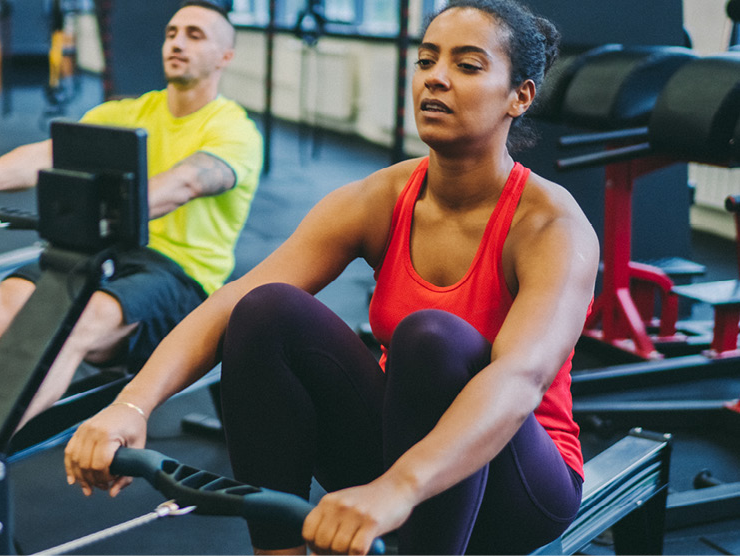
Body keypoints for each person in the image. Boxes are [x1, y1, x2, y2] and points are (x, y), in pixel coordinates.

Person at [63, 1, 595, 555]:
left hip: (515, 486)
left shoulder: (551, 226)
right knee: (266, 310)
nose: (435, 77)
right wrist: (131, 405)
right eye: (426, 60)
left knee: (432, 339)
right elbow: (234, 299)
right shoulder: (382, 198)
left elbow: (518, 380)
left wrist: (400, 487)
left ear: (520, 96)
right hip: (396, 458)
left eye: (467, 65)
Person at [0, 0, 262, 444]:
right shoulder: (128, 113)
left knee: (82, 318)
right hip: (108, 253)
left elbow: (186, 182)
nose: (177, 43)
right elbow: (47, 154)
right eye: (172, 33)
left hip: (180, 276)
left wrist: (106, 211)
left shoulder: (234, 131)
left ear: (225, 56)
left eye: (195, 36)